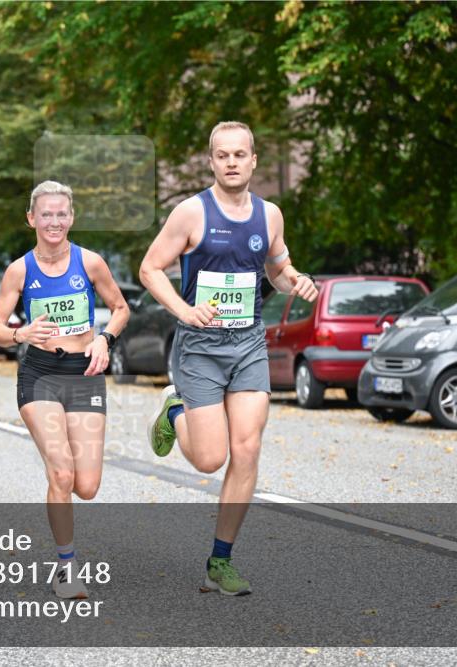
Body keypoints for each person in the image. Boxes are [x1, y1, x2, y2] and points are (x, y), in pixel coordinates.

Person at [139, 121, 318, 595]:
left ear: (254, 160)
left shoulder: (270, 215)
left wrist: (295, 280)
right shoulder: (190, 213)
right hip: (200, 347)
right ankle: (174, 408)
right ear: (212, 161)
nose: (232, 162)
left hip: (248, 345)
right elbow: (149, 268)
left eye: (241, 154)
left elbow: (277, 268)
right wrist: (185, 310)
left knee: (248, 449)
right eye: (223, 155)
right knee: (207, 459)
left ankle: (221, 561)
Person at [0, 180, 129, 600]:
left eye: (61, 213)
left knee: (86, 486)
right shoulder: (19, 270)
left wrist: (105, 338)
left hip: (84, 373)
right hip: (40, 374)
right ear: (31, 218)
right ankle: (67, 567)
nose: (54, 221)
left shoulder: (91, 263)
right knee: (62, 472)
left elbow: (121, 309)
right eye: (45, 214)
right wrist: (21, 333)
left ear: (72, 217)